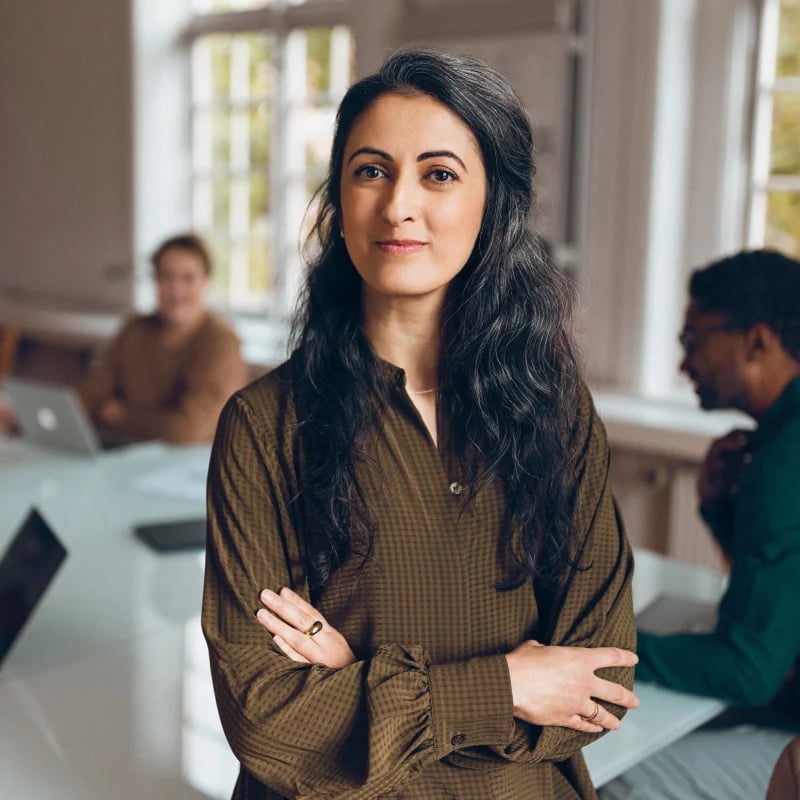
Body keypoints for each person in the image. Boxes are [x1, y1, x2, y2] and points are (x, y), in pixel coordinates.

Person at [203, 49, 638, 800]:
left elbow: (596, 685)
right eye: (372, 170)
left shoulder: (556, 411)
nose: (399, 204)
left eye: (439, 174)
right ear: (339, 199)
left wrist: (362, 691)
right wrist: (507, 685)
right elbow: (268, 722)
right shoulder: (262, 425)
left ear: (492, 202)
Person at [601, 249, 800, 800]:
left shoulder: (786, 457)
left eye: (694, 341)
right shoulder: (778, 441)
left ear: (757, 341)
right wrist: (719, 510)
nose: (685, 365)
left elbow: (749, 670)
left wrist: (599, 648)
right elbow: (776, 589)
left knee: (618, 778)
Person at [78, 233, 248, 445]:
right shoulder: (136, 330)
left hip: (188, 466)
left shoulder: (221, 343)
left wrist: (122, 415)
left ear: (206, 281)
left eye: (188, 278)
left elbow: (188, 430)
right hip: (131, 452)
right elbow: (93, 392)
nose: (175, 291)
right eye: (166, 277)